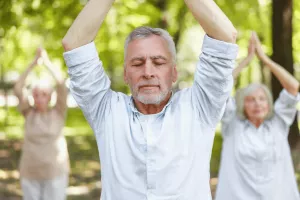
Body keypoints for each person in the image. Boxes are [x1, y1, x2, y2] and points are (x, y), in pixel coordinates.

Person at [62, 0, 238, 199]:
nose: (148, 72)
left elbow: (225, 36)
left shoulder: (199, 107)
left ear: (173, 73)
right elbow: (74, 44)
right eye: (137, 63)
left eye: (158, 62)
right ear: (126, 74)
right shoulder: (107, 111)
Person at [215, 32, 300, 200]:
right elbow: (219, 87)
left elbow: (293, 87)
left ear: (269, 104)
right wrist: (246, 61)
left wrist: (264, 59)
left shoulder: (278, 124)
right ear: (242, 105)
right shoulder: (232, 125)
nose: (257, 104)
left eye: (262, 99)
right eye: (251, 100)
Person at [14, 48, 69, 200]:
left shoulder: (58, 112)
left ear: (50, 97)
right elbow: (18, 88)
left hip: (55, 172)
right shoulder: (28, 113)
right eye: (36, 95)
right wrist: (33, 64)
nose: (39, 98)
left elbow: (61, 85)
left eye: (44, 94)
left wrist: (46, 62)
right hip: (30, 172)